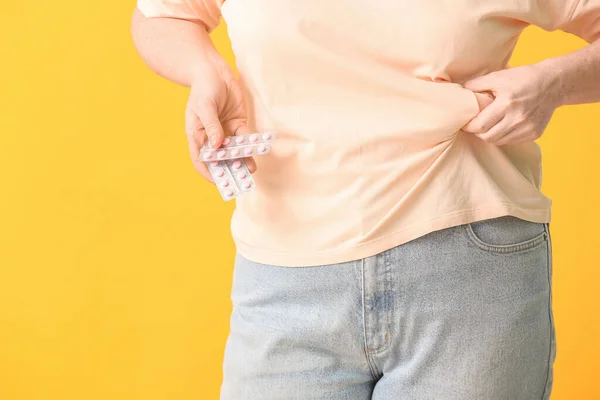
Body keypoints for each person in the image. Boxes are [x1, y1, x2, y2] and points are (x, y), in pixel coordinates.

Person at [131, 1, 600, 398]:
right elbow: (160, 14)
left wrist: (554, 84)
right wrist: (205, 68)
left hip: (467, 267)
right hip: (283, 275)